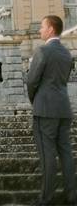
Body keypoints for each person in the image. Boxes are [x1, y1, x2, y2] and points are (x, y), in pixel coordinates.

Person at [26, 14, 76, 206]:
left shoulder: (43, 51)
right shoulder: (66, 53)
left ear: (51, 30)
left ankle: (46, 198)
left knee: (47, 154)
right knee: (65, 153)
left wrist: (35, 100)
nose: (39, 30)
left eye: (42, 27)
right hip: (63, 108)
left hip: (45, 109)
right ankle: (72, 195)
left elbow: (32, 81)